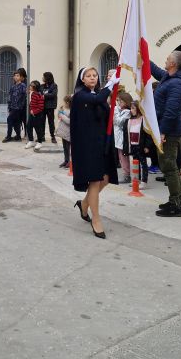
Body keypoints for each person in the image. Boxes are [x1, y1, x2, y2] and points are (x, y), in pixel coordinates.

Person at [71, 67, 120, 238]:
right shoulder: (80, 95)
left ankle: (85, 204)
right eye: (88, 76)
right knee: (94, 181)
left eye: (94, 75)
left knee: (105, 178)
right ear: (82, 79)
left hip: (101, 144)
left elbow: (104, 110)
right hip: (87, 145)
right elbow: (98, 99)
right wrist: (110, 85)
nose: (92, 78)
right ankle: (96, 220)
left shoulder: (98, 95)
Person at [150, 51, 181, 217]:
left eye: (168, 58)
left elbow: (171, 111)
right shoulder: (170, 77)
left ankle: (175, 204)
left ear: (174, 64)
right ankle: (175, 200)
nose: (165, 60)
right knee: (169, 166)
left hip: (169, 132)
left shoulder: (177, 84)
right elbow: (155, 70)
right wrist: (142, 54)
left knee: (169, 166)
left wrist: (163, 131)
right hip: (167, 129)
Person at [113, 92, 133, 184]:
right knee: (121, 158)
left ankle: (127, 175)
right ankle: (126, 173)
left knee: (124, 158)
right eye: (118, 100)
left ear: (126, 102)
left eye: (120, 101)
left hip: (123, 139)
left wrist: (116, 111)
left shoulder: (128, 112)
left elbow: (119, 122)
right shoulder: (120, 111)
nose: (118, 103)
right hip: (118, 138)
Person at [2, 70, 27, 142]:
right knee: (16, 121)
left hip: (18, 108)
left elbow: (24, 96)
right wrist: (9, 107)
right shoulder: (13, 86)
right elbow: (10, 97)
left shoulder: (23, 86)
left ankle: (8, 136)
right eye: (15, 75)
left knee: (9, 119)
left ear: (21, 77)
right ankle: (18, 136)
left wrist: (21, 106)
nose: (15, 77)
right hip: (12, 107)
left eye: (17, 75)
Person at [25, 80, 46, 150]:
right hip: (32, 113)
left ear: (35, 87)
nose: (29, 86)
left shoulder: (39, 95)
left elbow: (41, 107)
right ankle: (31, 141)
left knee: (38, 129)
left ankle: (40, 142)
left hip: (37, 115)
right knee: (28, 126)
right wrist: (31, 110)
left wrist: (34, 112)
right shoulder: (33, 93)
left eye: (31, 85)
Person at [42, 72, 58, 144]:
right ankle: (42, 136)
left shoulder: (54, 85)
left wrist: (44, 95)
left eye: (44, 77)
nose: (42, 78)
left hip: (50, 107)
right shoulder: (42, 86)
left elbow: (53, 94)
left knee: (51, 122)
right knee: (42, 122)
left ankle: (52, 136)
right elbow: (39, 93)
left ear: (47, 78)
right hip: (42, 106)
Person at [56, 95, 72, 168]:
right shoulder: (64, 109)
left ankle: (69, 161)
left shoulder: (72, 110)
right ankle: (65, 160)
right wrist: (60, 111)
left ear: (68, 102)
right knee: (64, 147)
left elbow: (69, 121)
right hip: (63, 131)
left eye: (65, 102)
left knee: (68, 147)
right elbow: (59, 116)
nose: (64, 103)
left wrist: (62, 115)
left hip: (68, 132)